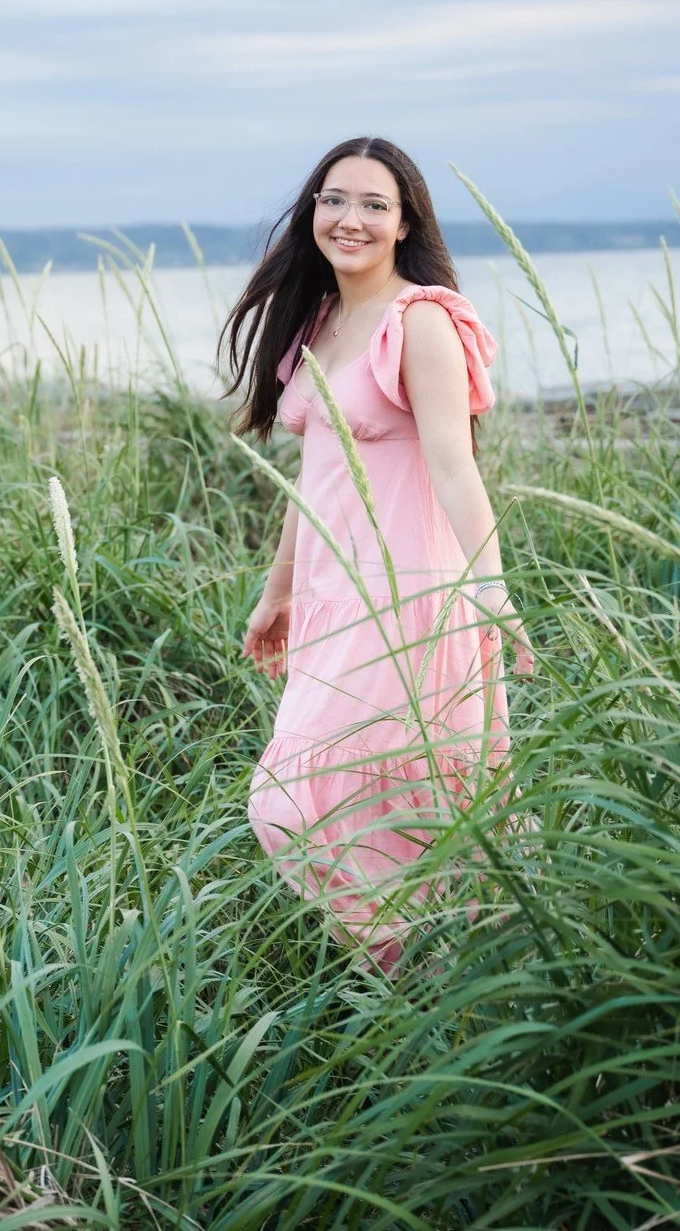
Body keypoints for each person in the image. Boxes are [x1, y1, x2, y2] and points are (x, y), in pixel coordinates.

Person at [221, 136, 529, 974]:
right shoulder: (318, 323)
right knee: (317, 806)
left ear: (404, 224)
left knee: (332, 804)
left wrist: (492, 590)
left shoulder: (420, 321)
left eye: (373, 204)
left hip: (410, 599)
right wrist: (277, 593)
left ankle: (432, 976)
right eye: (334, 199)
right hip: (332, 600)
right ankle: (412, 981)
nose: (349, 218)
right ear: (311, 213)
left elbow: (455, 468)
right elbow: (314, 475)